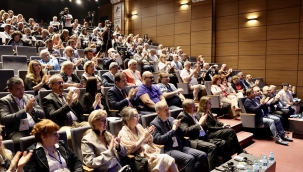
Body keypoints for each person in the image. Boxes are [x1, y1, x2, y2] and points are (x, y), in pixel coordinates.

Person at [151, 101, 209, 172]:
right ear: (158, 112)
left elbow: (182, 135)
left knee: (203, 155)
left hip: (180, 146)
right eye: (165, 110)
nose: (168, 111)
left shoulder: (171, 119)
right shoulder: (154, 124)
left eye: (168, 109)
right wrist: (173, 130)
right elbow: (159, 140)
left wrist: (178, 127)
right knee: (190, 159)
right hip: (169, 150)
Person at [118, 107, 178, 172]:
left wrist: (149, 135)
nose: (138, 118)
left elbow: (149, 141)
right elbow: (131, 150)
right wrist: (144, 136)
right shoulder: (123, 132)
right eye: (135, 116)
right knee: (166, 158)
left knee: (167, 164)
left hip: (151, 152)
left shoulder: (138, 126)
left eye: (138, 115)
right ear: (127, 119)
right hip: (142, 159)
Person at [177, 99, 231, 170]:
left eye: (194, 106)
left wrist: (204, 122)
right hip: (193, 140)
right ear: (185, 108)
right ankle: (213, 170)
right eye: (191, 107)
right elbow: (185, 131)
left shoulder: (195, 114)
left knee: (222, 143)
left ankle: (228, 164)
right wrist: (199, 123)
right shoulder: (182, 116)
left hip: (203, 137)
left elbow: (204, 126)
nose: (194, 108)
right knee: (212, 147)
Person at [0, 77, 45, 151]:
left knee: (50, 135)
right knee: (20, 141)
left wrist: (33, 110)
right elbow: (4, 119)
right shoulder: (4, 101)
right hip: (17, 130)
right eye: (18, 89)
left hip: (34, 127)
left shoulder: (29, 97)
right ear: (9, 90)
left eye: (23, 88)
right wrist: (25, 111)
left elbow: (42, 114)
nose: (22, 91)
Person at [42, 74, 87, 139]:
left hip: (77, 123)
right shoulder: (48, 99)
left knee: (93, 128)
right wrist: (68, 104)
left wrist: (75, 101)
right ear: (51, 85)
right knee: (70, 136)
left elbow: (82, 112)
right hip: (63, 125)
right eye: (59, 83)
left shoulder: (67, 95)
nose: (62, 84)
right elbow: (52, 115)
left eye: (62, 82)